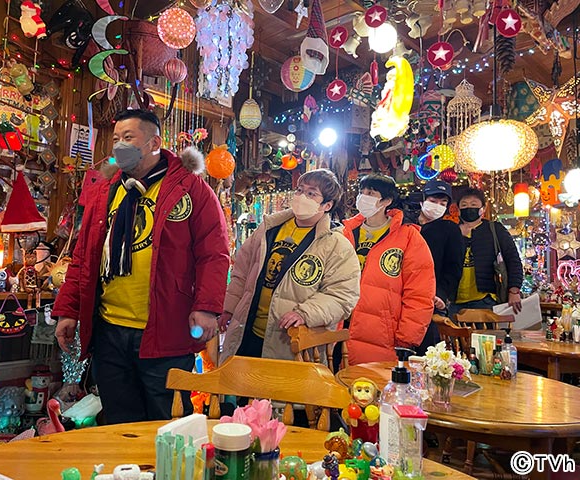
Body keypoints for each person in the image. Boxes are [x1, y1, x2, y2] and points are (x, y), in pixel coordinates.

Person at [53, 109, 229, 424]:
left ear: (153, 142)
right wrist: (68, 309)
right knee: (119, 420)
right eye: (116, 139)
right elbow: (84, 256)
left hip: (166, 329)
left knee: (168, 423)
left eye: (128, 138)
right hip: (109, 329)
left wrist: (206, 307)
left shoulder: (190, 189)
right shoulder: (105, 190)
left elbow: (214, 253)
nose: (119, 146)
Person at [218, 169, 360, 362]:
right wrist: (230, 307)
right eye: (300, 190)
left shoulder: (336, 245)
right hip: (247, 332)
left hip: (291, 342)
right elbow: (242, 271)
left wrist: (305, 313)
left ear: (327, 205)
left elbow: (342, 295)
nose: (302, 197)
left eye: (311, 193)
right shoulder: (269, 228)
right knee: (241, 388)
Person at [343, 173, 435, 364]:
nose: (363, 197)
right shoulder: (345, 232)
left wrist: (407, 338)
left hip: (381, 334)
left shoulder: (408, 237)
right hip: (339, 329)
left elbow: (420, 293)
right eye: (362, 191)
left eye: (371, 192)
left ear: (387, 201)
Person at [450, 187, 523, 316]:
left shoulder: (494, 229)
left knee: (485, 336)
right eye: (464, 205)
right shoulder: (451, 232)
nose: (469, 208)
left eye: (473, 204)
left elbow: (513, 260)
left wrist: (514, 291)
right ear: (459, 210)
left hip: (486, 300)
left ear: (482, 209)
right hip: (454, 302)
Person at [415, 180, 465, 355]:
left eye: (443, 203)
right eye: (433, 201)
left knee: (426, 350)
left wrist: (442, 294)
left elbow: (454, 268)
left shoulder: (450, 229)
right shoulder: (407, 225)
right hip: (401, 296)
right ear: (423, 201)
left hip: (430, 300)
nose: (437, 206)